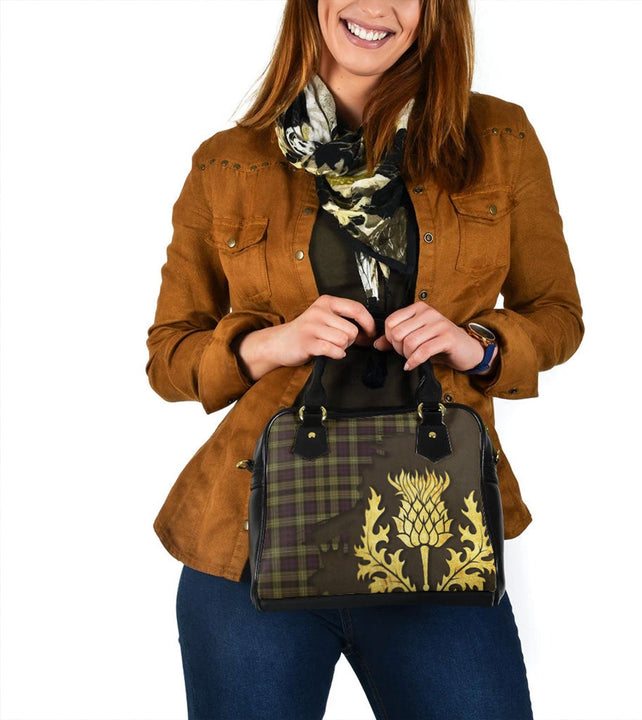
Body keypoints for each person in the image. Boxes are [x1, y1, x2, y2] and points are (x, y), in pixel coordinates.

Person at [146, 0, 583, 717]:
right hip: (251, 546)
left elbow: (557, 314)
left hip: (436, 537)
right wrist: (273, 343)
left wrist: (475, 344)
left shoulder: (498, 137)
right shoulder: (229, 160)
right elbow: (169, 356)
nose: (375, 7)